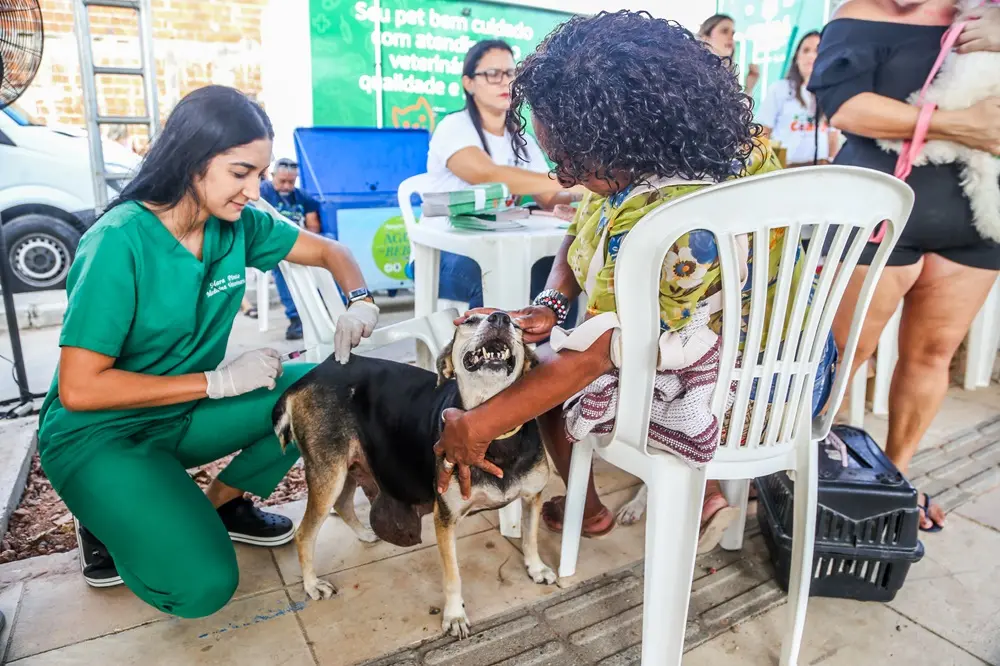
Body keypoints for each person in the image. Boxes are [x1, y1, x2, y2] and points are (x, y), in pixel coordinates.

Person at [432, 11, 837, 549]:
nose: (565, 178)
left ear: (623, 139)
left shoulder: (666, 220)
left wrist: (477, 425)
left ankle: (592, 509)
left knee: (543, 377)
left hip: (767, 393)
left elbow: (591, 358)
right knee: (594, 349)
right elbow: (579, 233)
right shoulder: (695, 154)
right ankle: (705, 493)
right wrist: (552, 301)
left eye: (573, 163)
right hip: (793, 355)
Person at [36, 85, 380, 617]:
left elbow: (331, 250)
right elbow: (80, 389)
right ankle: (108, 515)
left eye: (260, 175)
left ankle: (218, 503)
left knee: (331, 388)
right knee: (204, 588)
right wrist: (216, 382)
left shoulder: (237, 223)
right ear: (192, 159)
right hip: (100, 435)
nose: (254, 189)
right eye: (240, 172)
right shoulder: (118, 241)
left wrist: (359, 301)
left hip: (181, 415)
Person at [808, 0, 1000, 532]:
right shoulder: (858, 14)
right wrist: (966, 125)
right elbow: (846, 108)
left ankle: (895, 481)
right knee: (841, 354)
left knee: (934, 354)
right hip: (878, 210)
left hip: (978, 219)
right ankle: (811, 469)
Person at [425, 39, 581, 318]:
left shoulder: (521, 139)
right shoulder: (453, 127)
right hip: (445, 252)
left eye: (511, 74)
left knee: (561, 270)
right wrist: (568, 180)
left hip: (503, 247)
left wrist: (586, 192)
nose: (504, 82)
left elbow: (548, 198)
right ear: (469, 83)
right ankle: (485, 356)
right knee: (488, 277)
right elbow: (487, 175)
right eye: (493, 74)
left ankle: (552, 352)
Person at [258, 157, 322, 340]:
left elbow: (313, 225)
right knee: (280, 261)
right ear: (272, 176)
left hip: (299, 241)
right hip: (272, 243)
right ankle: (296, 318)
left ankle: (334, 307)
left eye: (291, 182)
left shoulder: (303, 196)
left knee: (331, 245)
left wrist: (311, 244)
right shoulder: (262, 192)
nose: (286, 186)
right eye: (282, 181)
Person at [757, 31, 841, 167]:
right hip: (786, 168)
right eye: (806, 50)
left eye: (817, 50)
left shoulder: (831, 92)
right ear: (797, 57)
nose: (811, 56)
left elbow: (833, 136)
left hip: (820, 169)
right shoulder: (780, 89)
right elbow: (762, 133)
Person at [699, 13, 760, 94]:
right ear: (705, 38)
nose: (731, 37)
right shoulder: (695, 76)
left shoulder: (729, 78)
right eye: (724, 31)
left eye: (732, 33)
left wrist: (749, 88)